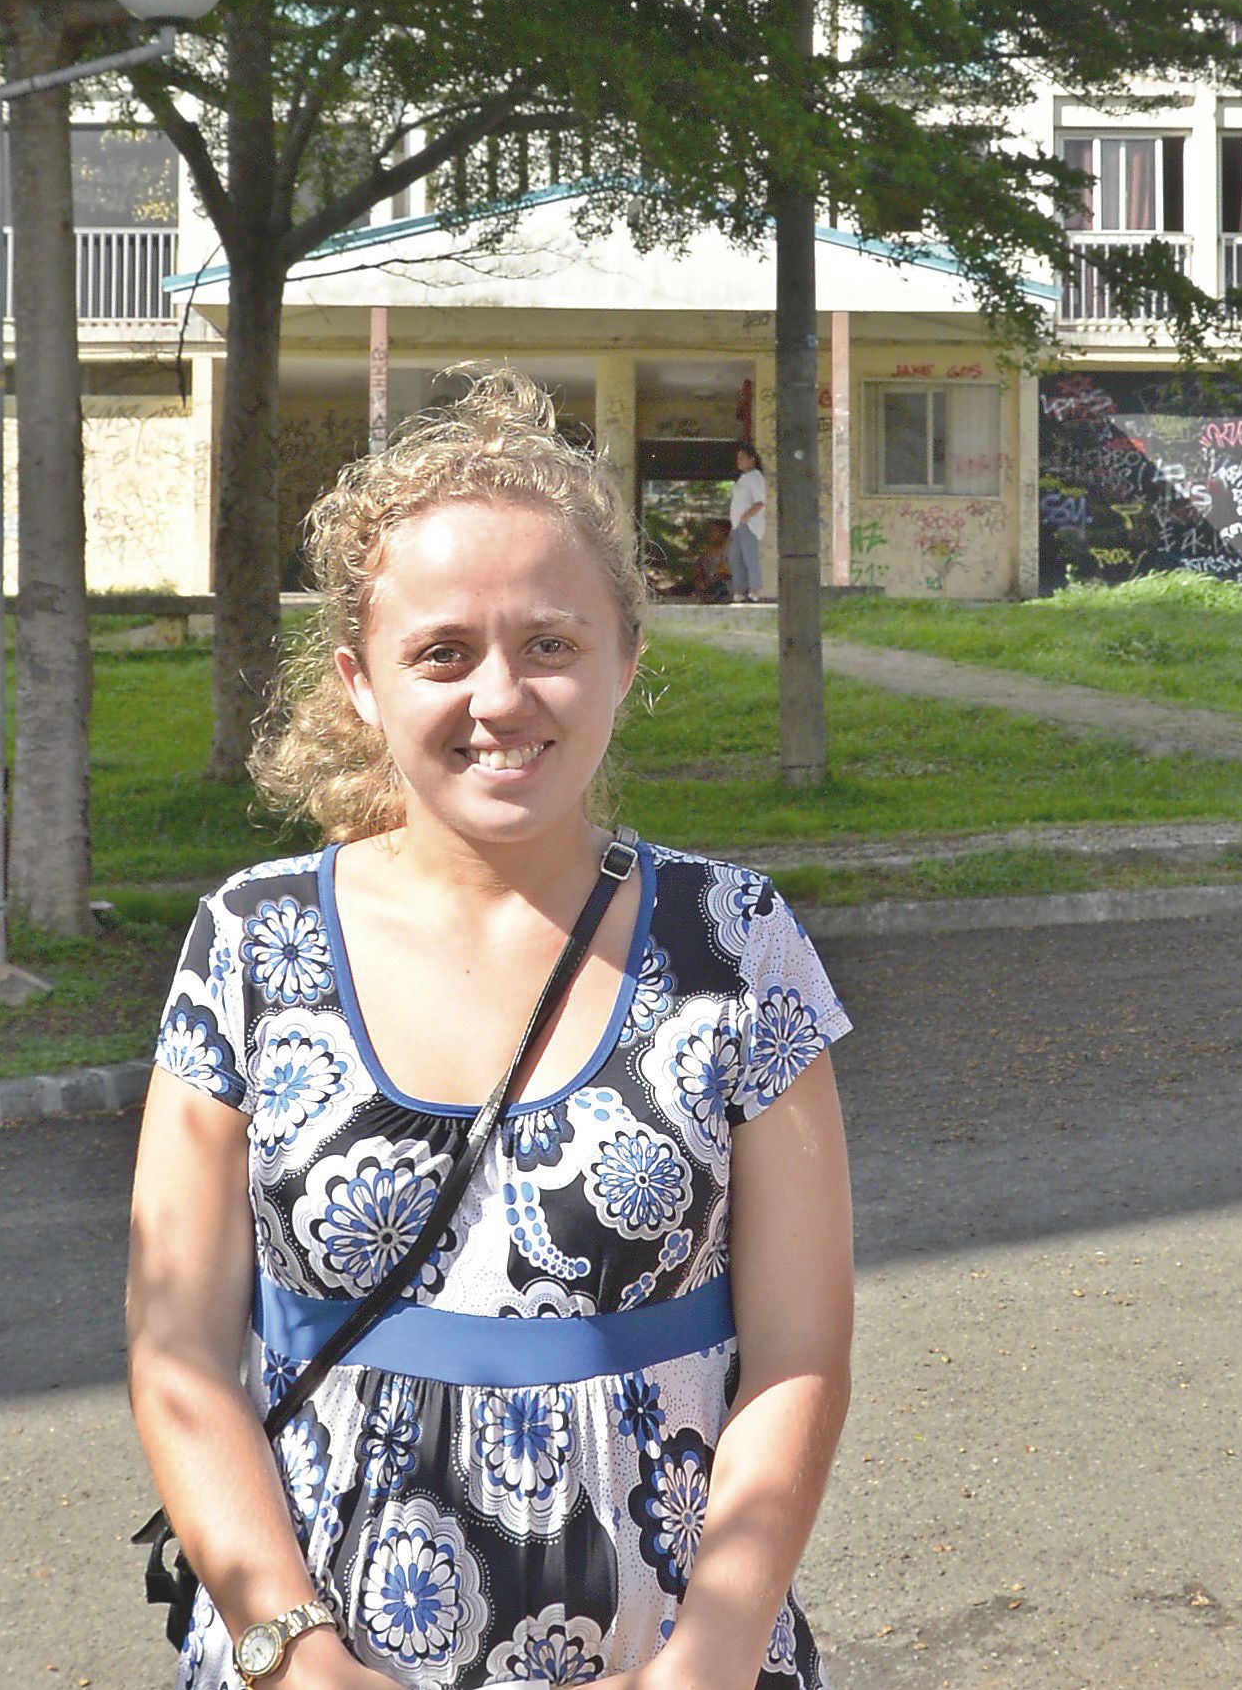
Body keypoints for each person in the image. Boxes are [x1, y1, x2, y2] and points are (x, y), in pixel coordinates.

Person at [129, 368, 855, 1690]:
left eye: (551, 644)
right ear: (359, 679)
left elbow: (802, 1352)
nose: (501, 695)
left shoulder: (736, 944)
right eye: (443, 651)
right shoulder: (249, 950)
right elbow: (177, 1346)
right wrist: (293, 1653)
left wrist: (716, 1653)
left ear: (626, 659)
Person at [727, 443, 767, 602]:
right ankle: (739, 590)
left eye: (743, 458)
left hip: (748, 524)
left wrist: (747, 516)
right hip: (737, 525)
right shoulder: (743, 479)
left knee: (750, 557)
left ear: (752, 459)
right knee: (735, 557)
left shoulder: (755, 477)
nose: (740, 461)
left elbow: (760, 501)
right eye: (738, 459)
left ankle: (755, 590)